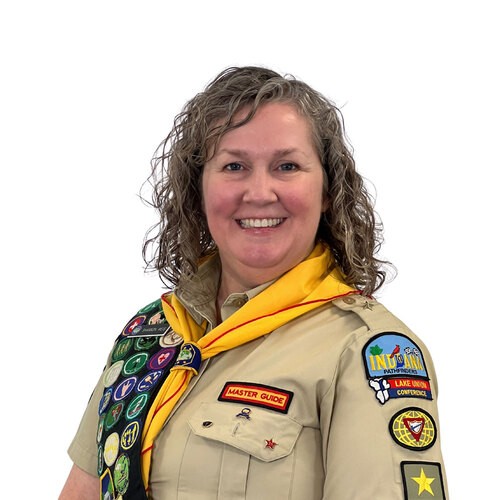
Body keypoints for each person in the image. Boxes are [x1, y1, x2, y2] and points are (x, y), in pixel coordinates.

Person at [59, 66, 448, 499]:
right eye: (234, 166)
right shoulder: (149, 335)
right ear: (198, 189)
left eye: (287, 166)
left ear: (327, 190)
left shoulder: (366, 351)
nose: (260, 192)